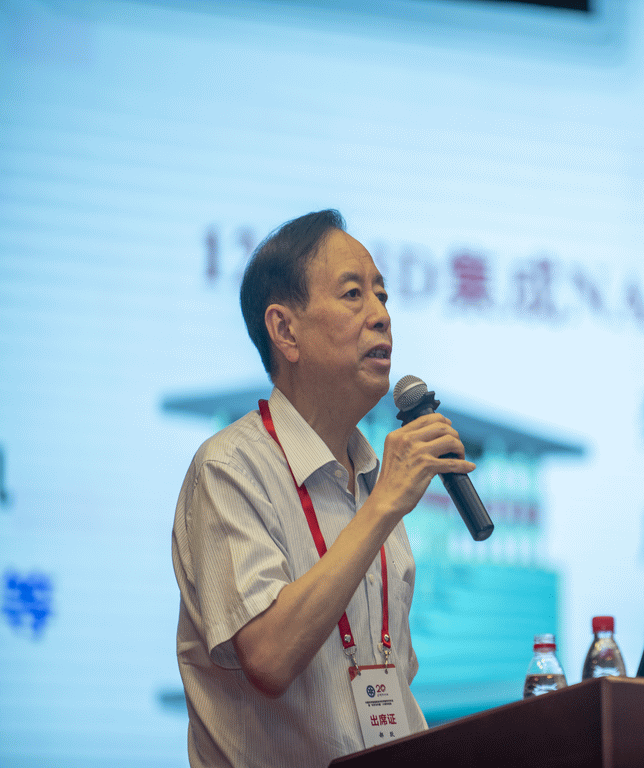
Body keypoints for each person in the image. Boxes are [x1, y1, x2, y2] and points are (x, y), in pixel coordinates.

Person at [171, 209, 474, 767]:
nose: (381, 315)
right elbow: (269, 657)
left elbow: (392, 680)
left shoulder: (371, 479)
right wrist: (384, 505)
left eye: (382, 295)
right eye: (353, 294)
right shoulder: (230, 468)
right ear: (286, 331)